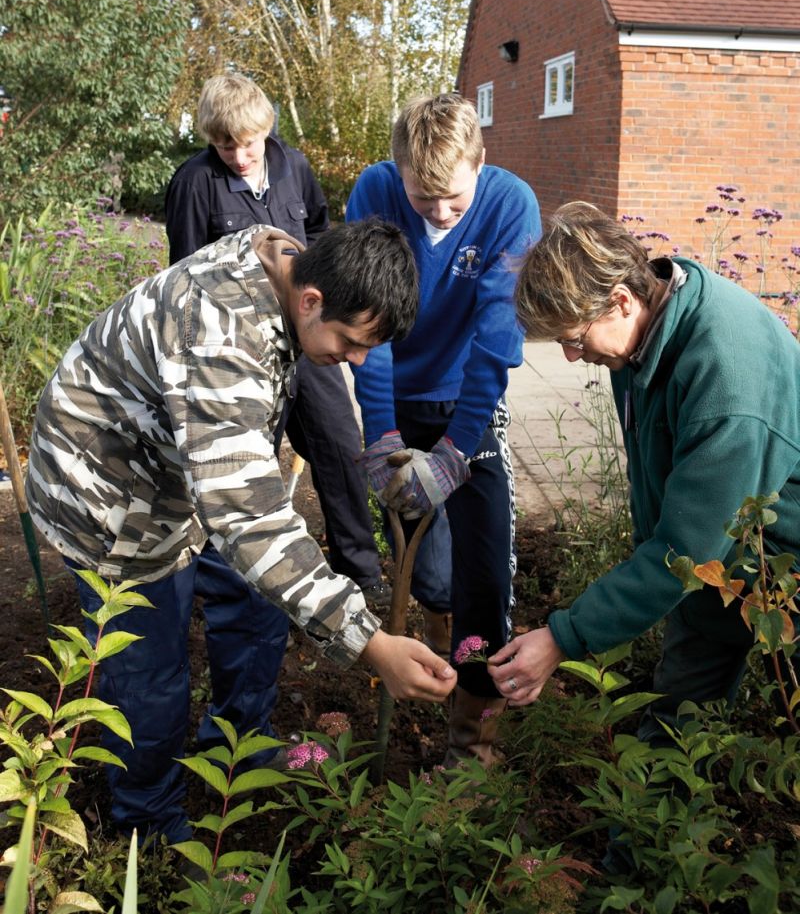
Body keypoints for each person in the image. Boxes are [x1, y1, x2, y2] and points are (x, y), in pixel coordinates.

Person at [26, 219, 455, 845]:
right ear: (311, 301)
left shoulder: (283, 257)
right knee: (153, 677)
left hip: (181, 470)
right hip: (107, 494)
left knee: (259, 609)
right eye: (350, 341)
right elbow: (247, 517)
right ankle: (149, 826)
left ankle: (238, 751)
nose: (357, 360)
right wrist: (369, 643)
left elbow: (235, 488)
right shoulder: (217, 332)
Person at [488, 201, 800, 747]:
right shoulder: (641, 340)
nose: (570, 355)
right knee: (676, 729)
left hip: (782, 567)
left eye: (574, 338)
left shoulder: (725, 377)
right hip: (716, 569)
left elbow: (688, 548)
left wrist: (564, 637)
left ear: (621, 300)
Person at [346, 92, 541, 766]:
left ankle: (472, 743)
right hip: (395, 397)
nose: (439, 213)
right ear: (397, 168)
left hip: (469, 399)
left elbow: (495, 338)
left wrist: (457, 452)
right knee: (424, 566)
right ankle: (430, 671)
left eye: (454, 199)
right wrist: (381, 438)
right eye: (424, 197)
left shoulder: (509, 205)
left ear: (480, 164)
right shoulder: (373, 191)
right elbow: (369, 327)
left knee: (483, 571)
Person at [165, 72, 387, 606]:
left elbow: (316, 231)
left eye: (247, 143)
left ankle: (360, 574)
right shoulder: (195, 183)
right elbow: (184, 278)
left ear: (266, 130)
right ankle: (234, 582)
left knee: (339, 446)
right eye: (224, 146)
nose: (239, 157)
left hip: (308, 338)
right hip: (240, 354)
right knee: (242, 465)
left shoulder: (293, 166)